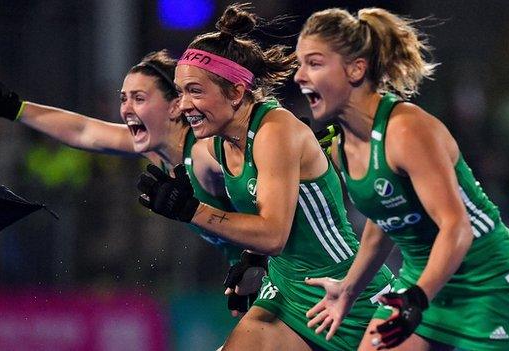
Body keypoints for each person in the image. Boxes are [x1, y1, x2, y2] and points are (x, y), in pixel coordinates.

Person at [136, 4, 395, 350]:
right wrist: (253, 258)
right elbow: (154, 145)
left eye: (195, 91)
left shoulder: (275, 130)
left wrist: (191, 210)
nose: (183, 105)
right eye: (180, 92)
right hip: (286, 291)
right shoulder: (215, 144)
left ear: (236, 92)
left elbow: (272, 234)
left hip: (350, 294)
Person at [293, 7, 509, 351]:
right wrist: (349, 290)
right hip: (422, 282)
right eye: (300, 63)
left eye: (314, 63)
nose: (299, 75)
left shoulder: (406, 130)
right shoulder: (341, 145)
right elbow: (381, 225)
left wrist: (417, 298)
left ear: (356, 69)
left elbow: (456, 227)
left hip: (488, 285)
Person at [0, 50, 265, 312]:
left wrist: (255, 259)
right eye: (123, 99)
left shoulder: (205, 151)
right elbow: (84, 131)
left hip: (285, 268)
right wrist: (13, 107)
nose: (125, 109)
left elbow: (270, 202)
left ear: (174, 105)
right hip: (257, 275)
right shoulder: (158, 149)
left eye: (138, 98)